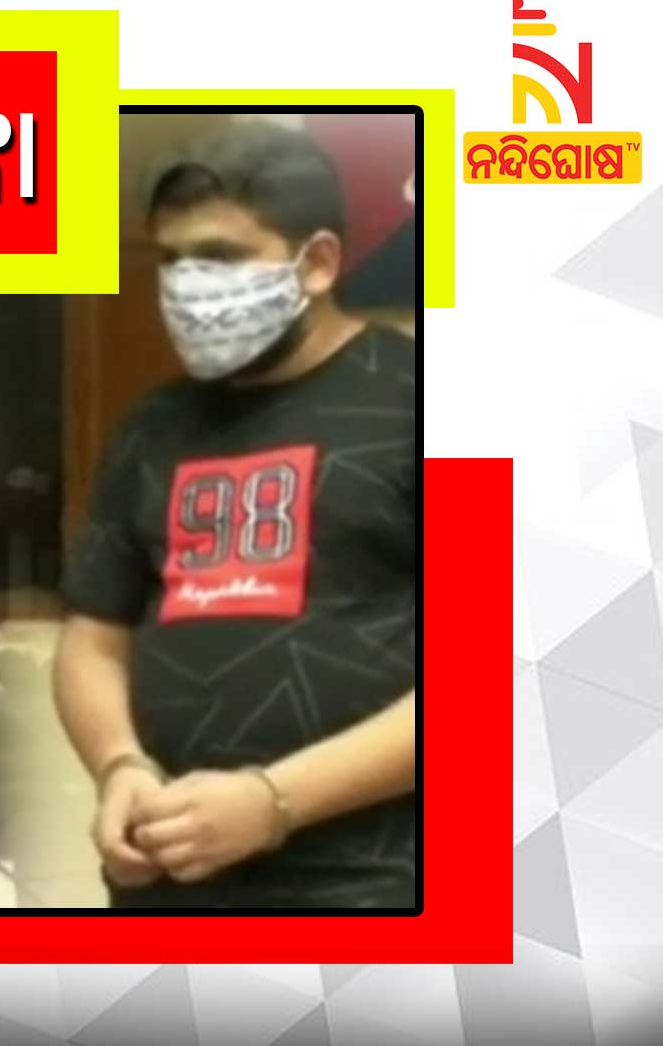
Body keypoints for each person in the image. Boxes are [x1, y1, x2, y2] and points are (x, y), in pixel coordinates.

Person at [55, 122, 418, 910]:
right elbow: (92, 638)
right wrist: (119, 764)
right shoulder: (150, 427)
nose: (188, 286)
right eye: (172, 260)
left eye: (220, 256)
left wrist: (274, 801)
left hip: (366, 890)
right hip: (167, 884)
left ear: (317, 263)